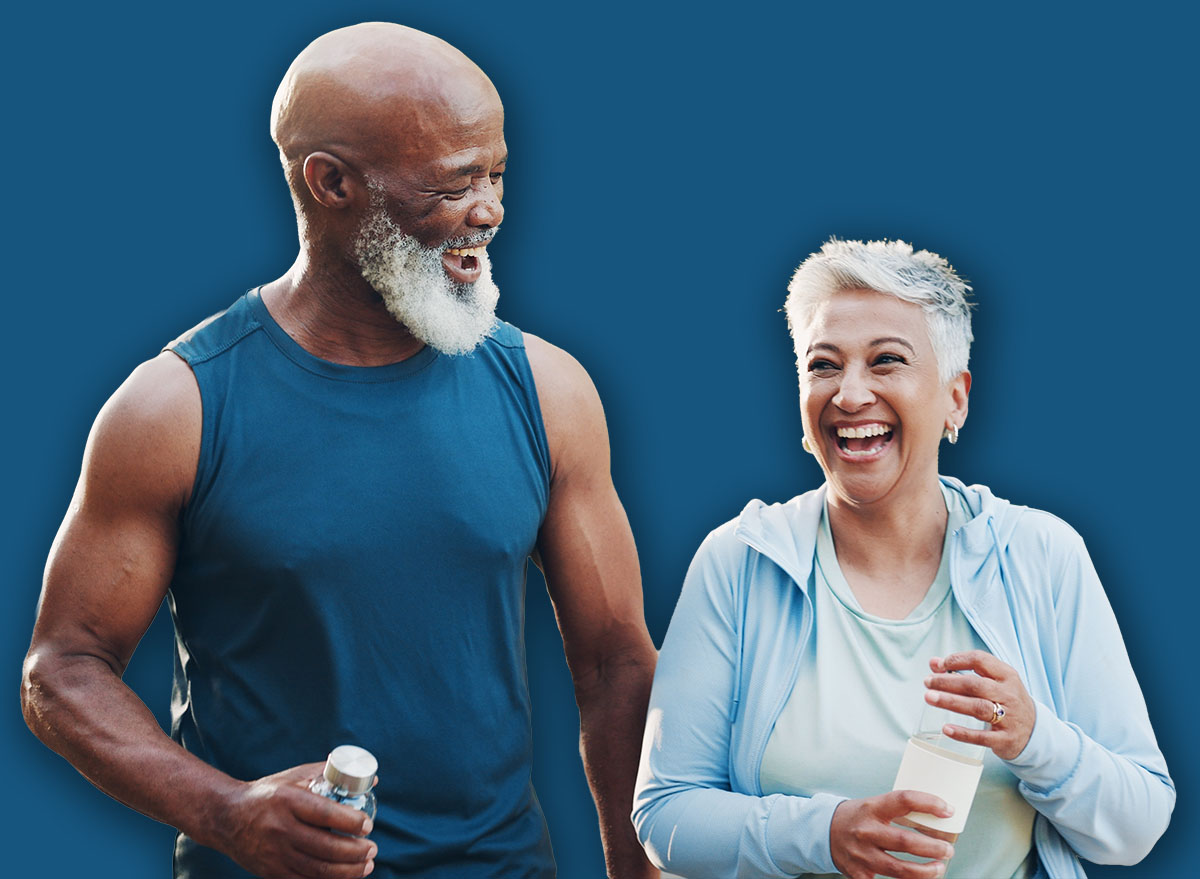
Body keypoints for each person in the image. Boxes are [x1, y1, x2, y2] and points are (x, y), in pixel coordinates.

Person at [21, 22, 658, 879]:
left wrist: (635, 868)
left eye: (498, 172)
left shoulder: (549, 391)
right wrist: (226, 811)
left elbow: (615, 660)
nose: (490, 209)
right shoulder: (176, 408)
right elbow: (62, 670)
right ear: (331, 184)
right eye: (453, 183)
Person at [632, 239, 1173, 879]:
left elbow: (1137, 829)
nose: (850, 394)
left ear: (955, 398)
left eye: (887, 361)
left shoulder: (1041, 555)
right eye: (823, 365)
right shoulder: (739, 563)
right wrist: (824, 835)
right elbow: (666, 815)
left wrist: (1035, 740)